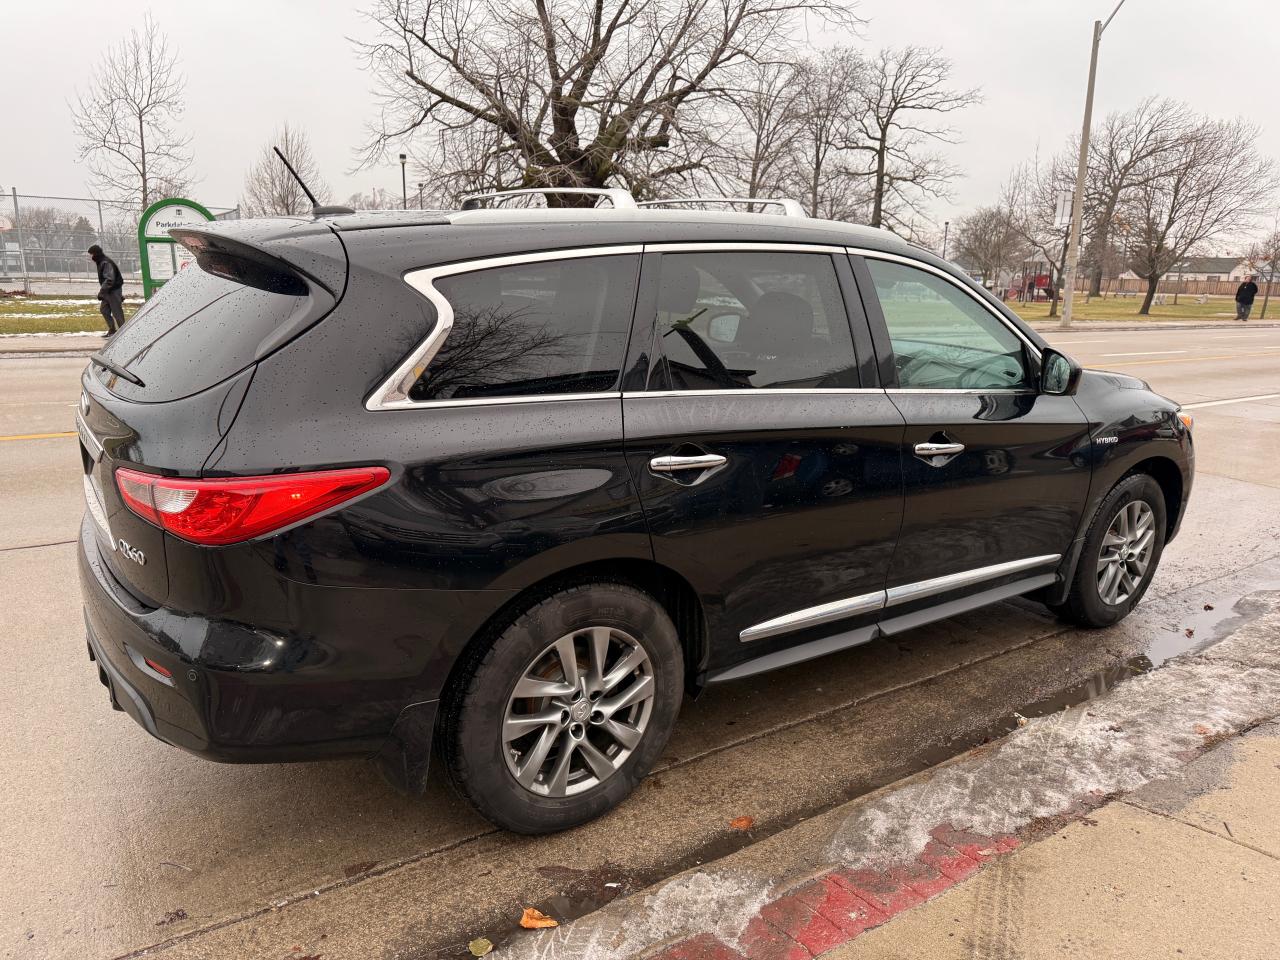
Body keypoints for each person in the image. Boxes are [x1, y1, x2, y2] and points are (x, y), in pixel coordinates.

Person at [88, 244, 125, 336]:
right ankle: (112, 330)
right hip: (108, 291)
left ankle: (124, 332)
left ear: (95, 254)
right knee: (104, 310)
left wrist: (102, 292)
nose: (90, 257)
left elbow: (109, 280)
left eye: (91, 254)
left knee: (117, 312)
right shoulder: (101, 262)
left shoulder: (105, 262)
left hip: (113, 290)